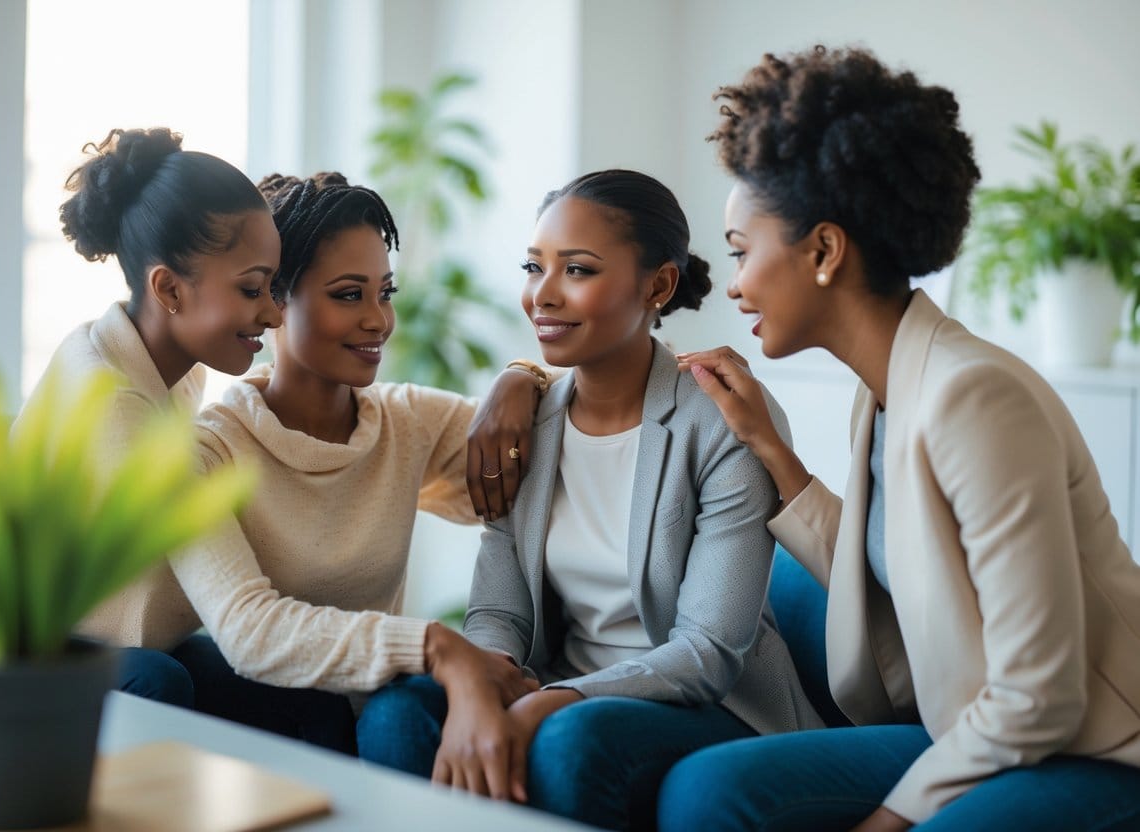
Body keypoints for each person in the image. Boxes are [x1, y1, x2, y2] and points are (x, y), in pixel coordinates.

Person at [665, 45, 1140, 832]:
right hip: (982, 729)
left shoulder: (975, 398)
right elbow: (892, 574)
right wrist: (770, 449)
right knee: (707, 792)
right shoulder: (884, 392)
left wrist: (888, 819)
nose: (737, 283)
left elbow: (1040, 695)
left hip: (1096, 747)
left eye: (744, 253)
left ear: (822, 251)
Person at [358, 169, 823, 830]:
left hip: (706, 710)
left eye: (576, 270)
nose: (540, 296)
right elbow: (500, 608)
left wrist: (551, 700)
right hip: (555, 689)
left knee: (571, 740)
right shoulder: (527, 422)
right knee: (399, 711)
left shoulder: (719, 419)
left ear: (657, 285)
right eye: (533, 266)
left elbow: (707, 653)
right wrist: (482, 683)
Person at [164, 172, 546, 752]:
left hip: (381, 722)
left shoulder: (405, 421)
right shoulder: (209, 451)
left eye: (385, 292)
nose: (379, 320)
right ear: (274, 299)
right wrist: (434, 645)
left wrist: (524, 375)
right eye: (348, 294)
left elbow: (605, 395)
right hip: (256, 730)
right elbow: (251, 632)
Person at [0, 127, 283, 707]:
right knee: (162, 679)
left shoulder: (170, 366)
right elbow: (156, 595)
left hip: (50, 624)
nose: (271, 312)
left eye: (273, 286)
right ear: (168, 288)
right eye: (252, 288)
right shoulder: (111, 396)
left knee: (270, 687)